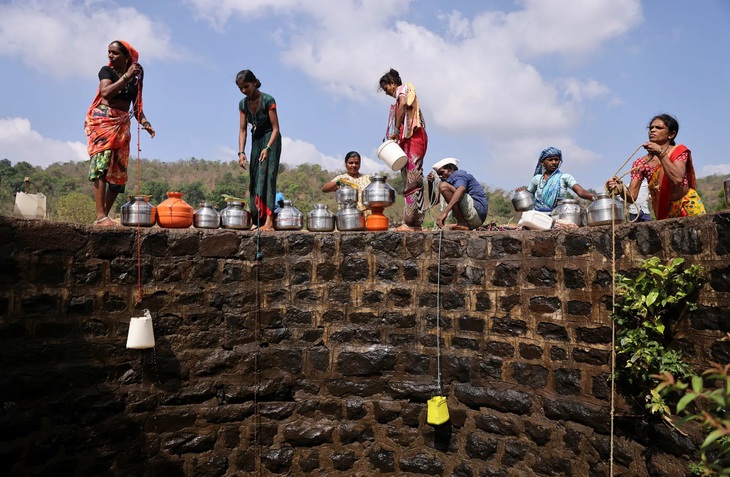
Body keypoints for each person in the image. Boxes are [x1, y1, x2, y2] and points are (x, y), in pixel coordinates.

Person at [85, 40, 155, 226]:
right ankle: (101, 216)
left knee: (118, 173)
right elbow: (106, 93)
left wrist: (146, 123)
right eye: (109, 52)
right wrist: (126, 77)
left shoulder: (136, 80)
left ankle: (103, 217)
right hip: (104, 121)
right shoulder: (106, 72)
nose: (110, 56)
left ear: (127, 57)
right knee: (101, 165)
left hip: (123, 125)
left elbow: (137, 109)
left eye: (115, 53)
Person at [607, 114, 705, 219]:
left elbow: (677, 179)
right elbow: (632, 197)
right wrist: (620, 189)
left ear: (671, 134)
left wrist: (660, 153)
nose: (653, 130)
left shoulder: (679, 151)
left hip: (687, 205)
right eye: (651, 128)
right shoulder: (640, 163)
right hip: (664, 210)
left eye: (658, 128)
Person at [379, 68, 427, 231]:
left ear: (392, 83)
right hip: (411, 139)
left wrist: (397, 130)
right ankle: (416, 223)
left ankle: (409, 223)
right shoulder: (403, 92)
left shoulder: (403, 89)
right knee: (412, 179)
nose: (387, 93)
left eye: (386, 89)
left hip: (414, 138)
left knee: (412, 180)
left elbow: (402, 106)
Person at [236, 69, 281, 231]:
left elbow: (276, 128)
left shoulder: (268, 100)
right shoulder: (243, 104)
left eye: (246, 86)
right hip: (256, 140)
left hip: (271, 139)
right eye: (240, 88)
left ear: (254, 83)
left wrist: (268, 148)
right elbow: (242, 130)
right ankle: (258, 219)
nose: (243, 91)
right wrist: (241, 153)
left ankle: (269, 221)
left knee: (268, 177)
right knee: (254, 177)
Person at [519, 147, 594, 212]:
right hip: (539, 216)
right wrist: (521, 192)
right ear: (542, 162)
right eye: (550, 160)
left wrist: (591, 196)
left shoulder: (565, 177)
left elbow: (580, 191)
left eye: (556, 159)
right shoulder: (537, 179)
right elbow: (528, 196)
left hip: (558, 214)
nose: (554, 162)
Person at [427, 158, 488, 230]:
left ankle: (461, 223)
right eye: (438, 174)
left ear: (450, 168)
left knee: (443, 186)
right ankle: (461, 223)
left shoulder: (458, 174)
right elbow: (434, 201)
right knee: (443, 186)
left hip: (476, 213)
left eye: (442, 172)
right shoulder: (447, 181)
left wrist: (445, 213)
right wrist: (430, 184)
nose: (440, 176)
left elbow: (461, 189)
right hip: (473, 218)